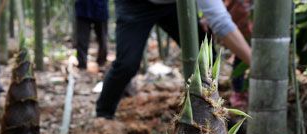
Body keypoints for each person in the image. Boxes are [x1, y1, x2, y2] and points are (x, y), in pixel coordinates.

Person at [95, 0, 252, 119]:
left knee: (205, 56)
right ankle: (103, 114)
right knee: (126, 64)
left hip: (177, 5)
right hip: (135, 3)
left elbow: (221, 22)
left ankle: (208, 113)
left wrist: (254, 64)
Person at [75, 0, 109, 70]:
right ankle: (82, 65)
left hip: (100, 8)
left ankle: (101, 63)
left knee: (102, 38)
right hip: (83, 8)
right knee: (82, 39)